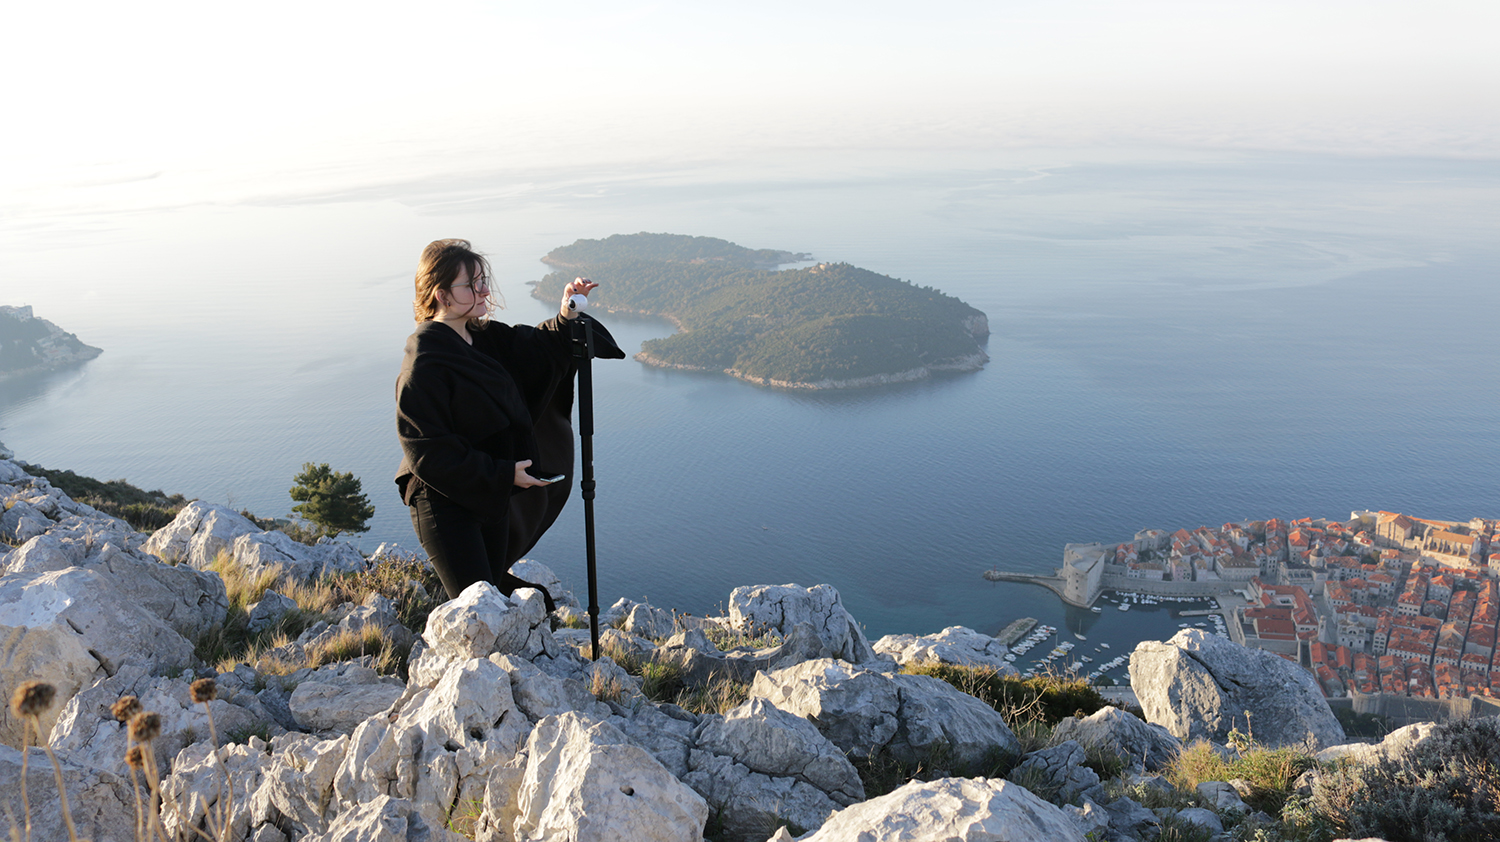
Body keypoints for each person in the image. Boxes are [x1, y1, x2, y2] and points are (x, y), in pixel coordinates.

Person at [394, 239, 623, 607]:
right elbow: (426, 451)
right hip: (443, 503)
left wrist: (566, 316)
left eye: (483, 280)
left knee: (494, 597)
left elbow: (535, 350)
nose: (485, 290)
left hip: (488, 496)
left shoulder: (481, 337)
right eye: (472, 284)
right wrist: (502, 474)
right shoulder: (424, 362)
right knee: (478, 610)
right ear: (441, 295)